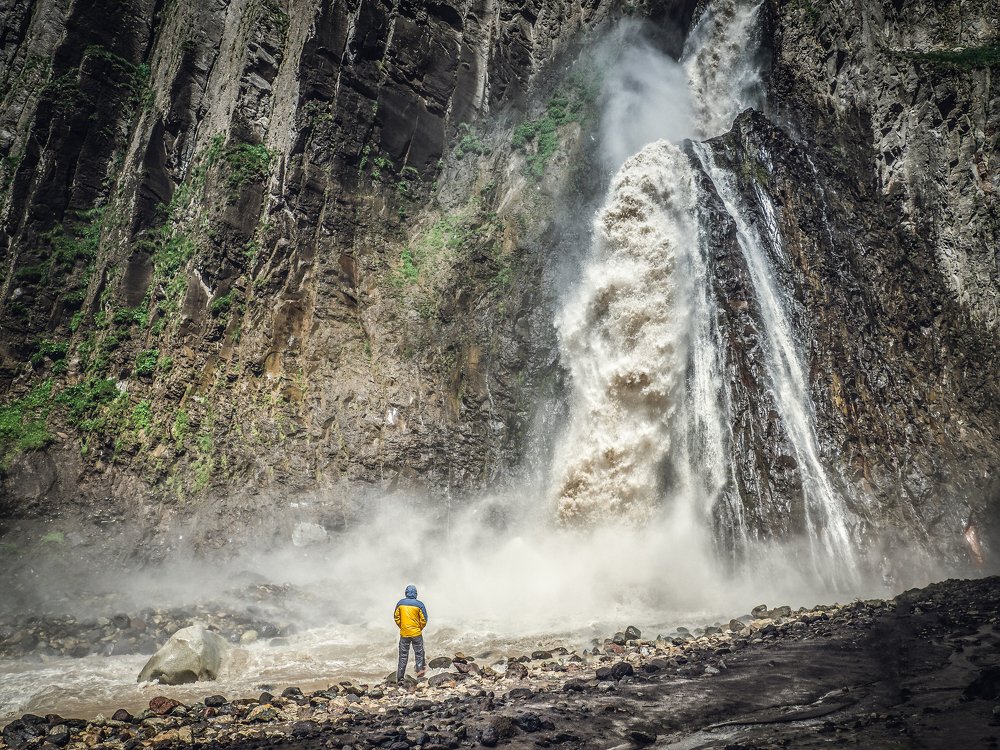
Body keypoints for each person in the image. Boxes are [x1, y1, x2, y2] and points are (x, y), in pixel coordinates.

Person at [394, 584, 428, 683]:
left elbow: (396, 618)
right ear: (416, 594)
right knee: (419, 654)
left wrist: (403, 627)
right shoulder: (419, 604)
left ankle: (400, 679)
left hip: (404, 634)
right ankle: (420, 677)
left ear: (406, 593)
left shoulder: (400, 603)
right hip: (416, 633)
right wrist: (418, 628)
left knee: (403, 656)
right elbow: (424, 620)